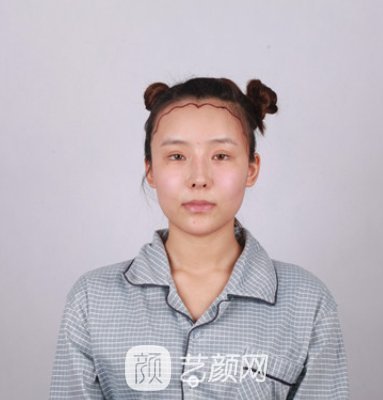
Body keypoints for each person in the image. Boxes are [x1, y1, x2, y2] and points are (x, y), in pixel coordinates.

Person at [49, 77, 349, 399]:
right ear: (150, 170)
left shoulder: (307, 303)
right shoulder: (92, 301)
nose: (199, 178)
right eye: (177, 156)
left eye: (221, 156)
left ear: (251, 168)